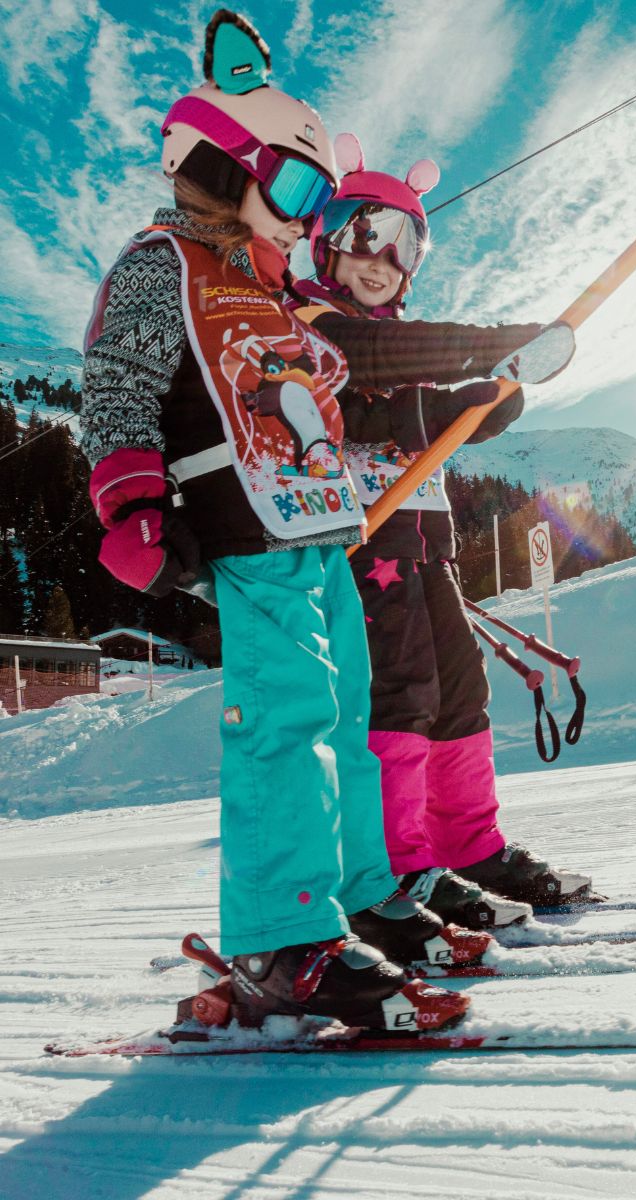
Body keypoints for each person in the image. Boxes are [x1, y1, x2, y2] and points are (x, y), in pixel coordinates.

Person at [79, 10, 498, 1034]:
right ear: (225, 167)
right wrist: (131, 499)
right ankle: (280, 937)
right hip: (240, 525)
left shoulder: (265, 293)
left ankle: (359, 893)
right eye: (300, 192)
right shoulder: (162, 263)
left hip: (318, 525)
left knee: (349, 709)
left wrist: (462, 390)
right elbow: (119, 380)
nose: (309, 222)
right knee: (284, 722)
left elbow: (355, 391)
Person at [291, 133, 592, 932]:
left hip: (427, 549)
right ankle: (398, 864)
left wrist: (489, 400)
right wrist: (492, 349)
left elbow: (425, 412)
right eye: (361, 234)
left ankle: (470, 848)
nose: (379, 258)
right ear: (324, 240)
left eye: (401, 246)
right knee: (401, 697)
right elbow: (367, 376)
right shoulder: (311, 322)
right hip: (362, 547)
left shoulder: (400, 349)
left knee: (460, 694)